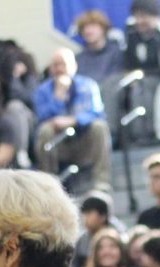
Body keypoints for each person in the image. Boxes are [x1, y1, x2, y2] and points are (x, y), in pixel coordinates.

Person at [33, 48, 112, 191]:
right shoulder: (42, 91)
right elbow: (42, 117)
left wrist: (73, 120)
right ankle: (47, 185)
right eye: (55, 65)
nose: (59, 69)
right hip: (59, 143)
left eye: (63, 64)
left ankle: (102, 181)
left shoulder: (88, 85)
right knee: (45, 131)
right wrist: (58, 96)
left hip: (85, 141)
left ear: (74, 66)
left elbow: (96, 112)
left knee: (99, 127)